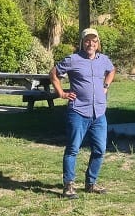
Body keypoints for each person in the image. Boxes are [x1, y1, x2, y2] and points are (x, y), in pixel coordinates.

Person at [49, 27, 115, 199]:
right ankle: (68, 185)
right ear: (82, 42)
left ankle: (91, 183)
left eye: (94, 41)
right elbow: (54, 73)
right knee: (73, 149)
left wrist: (106, 86)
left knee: (100, 149)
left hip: (99, 112)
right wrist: (61, 93)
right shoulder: (73, 59)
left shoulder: (104, 60)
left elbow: (112, 70)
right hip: (78, 111)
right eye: (87, 40)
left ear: (98, 43)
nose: (90, 44)